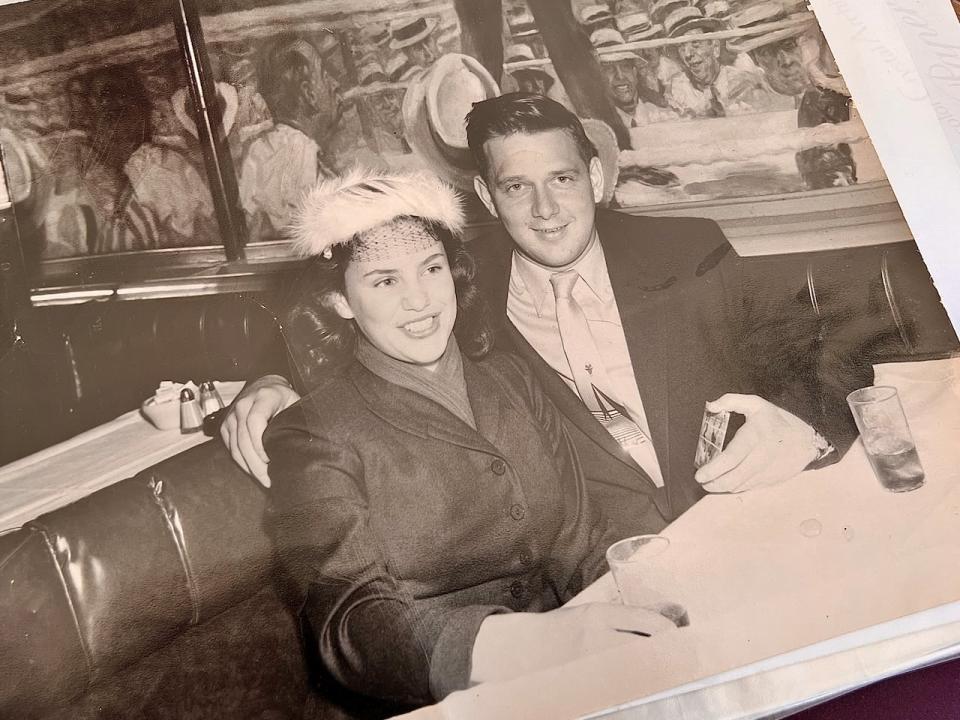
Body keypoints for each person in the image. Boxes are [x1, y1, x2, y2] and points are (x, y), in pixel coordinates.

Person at [223, 94, 848, 540]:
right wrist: (272, 379)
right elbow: (349, 305)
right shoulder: (458, 284)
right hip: (600, 572)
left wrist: (806, 430)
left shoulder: (688, 249)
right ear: (489, 199)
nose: (546, 209)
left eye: (563, 178)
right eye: (517, 187)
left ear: (596, 178)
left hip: (750, 522)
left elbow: (816, 350)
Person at [266, 168, 673, 712]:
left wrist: (658, 605)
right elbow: (354, 624)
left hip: (582, 669)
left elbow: (579, 537)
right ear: (340, 300)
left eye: (431, 269)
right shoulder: (312, 432)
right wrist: (541, 644)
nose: (420, 300)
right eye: (385, 281)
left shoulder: (511, 378)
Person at [238, 35, 343, 240]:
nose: (336, 83)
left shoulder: (265, 146)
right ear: (308, 94)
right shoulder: (299, 151)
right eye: (325, 74)